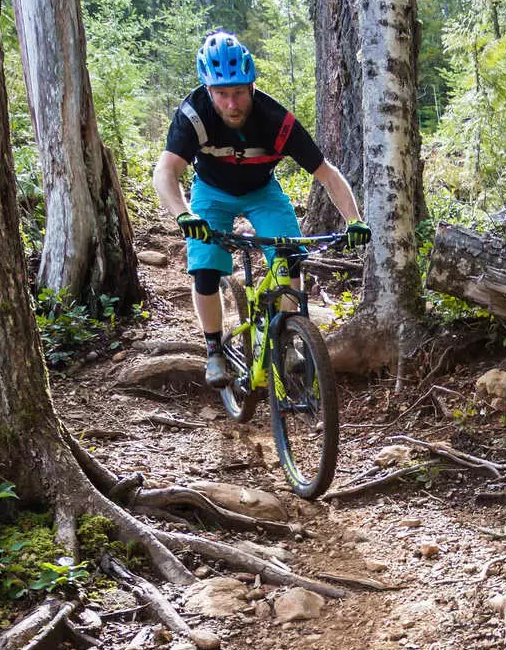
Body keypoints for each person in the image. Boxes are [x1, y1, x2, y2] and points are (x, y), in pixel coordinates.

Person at [152, 30, 370, 388]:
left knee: (290, 258)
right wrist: (183, 213)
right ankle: (214, 351)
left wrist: (355, 220)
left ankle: (284, 341)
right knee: (205, 269)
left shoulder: (275, 120)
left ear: (252, 86)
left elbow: (327, 174)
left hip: (262, 192)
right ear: (208, 91)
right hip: (210, 192)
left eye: (239, 92)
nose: (232, 104)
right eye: (222, 94)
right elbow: (166, 171)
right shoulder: (193, 115)